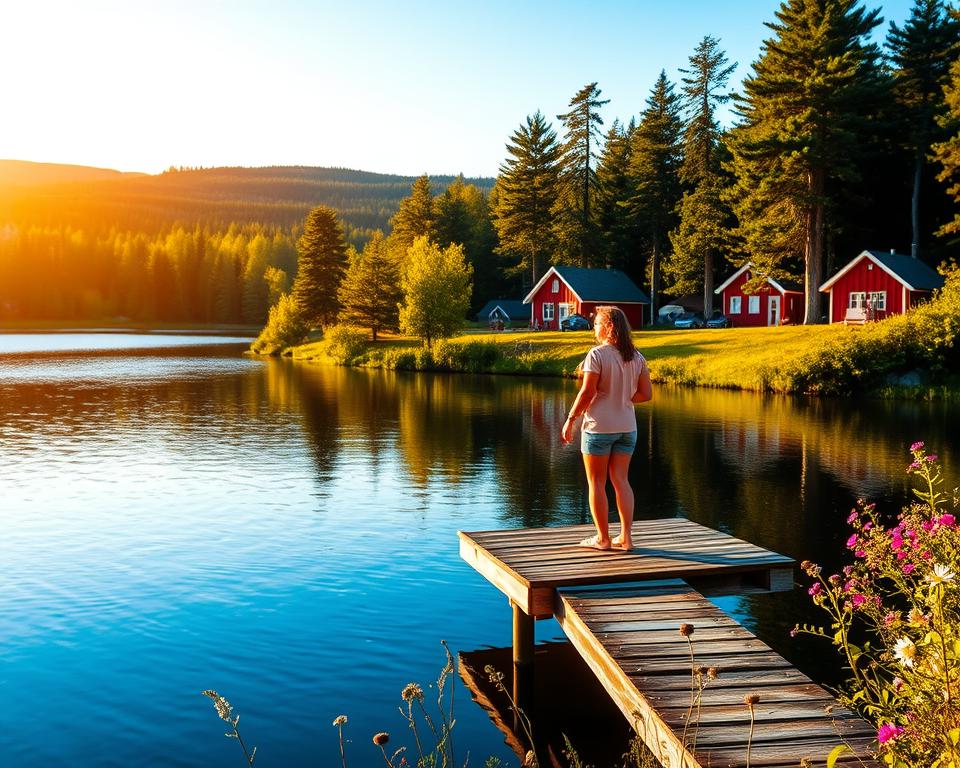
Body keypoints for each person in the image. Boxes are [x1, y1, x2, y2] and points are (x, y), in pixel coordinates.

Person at [560, 306, 652, 551]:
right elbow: (646, 394)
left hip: (599, 428)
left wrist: (570, 419)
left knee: (597, 482)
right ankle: (626, 538)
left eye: (597, 324)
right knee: (621, 480)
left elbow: (587, 392)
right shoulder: (636, 356)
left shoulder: (596, 355)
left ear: (609, 327)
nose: (595, 328)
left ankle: (602, 539)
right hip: (627, 428)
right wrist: (622, 398)